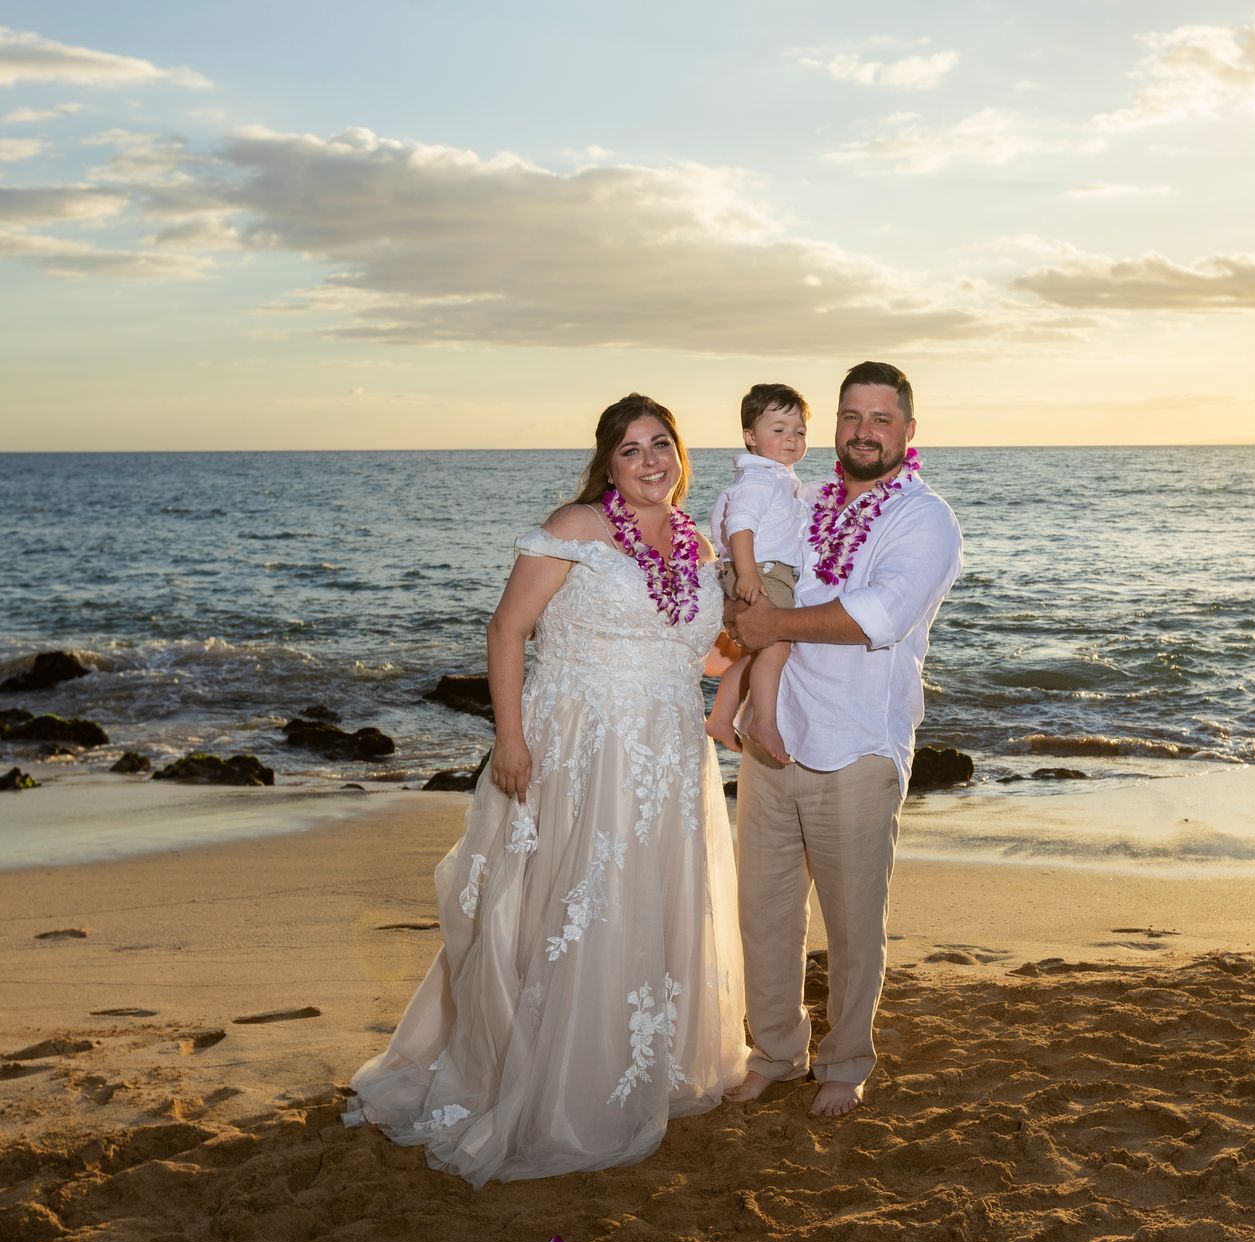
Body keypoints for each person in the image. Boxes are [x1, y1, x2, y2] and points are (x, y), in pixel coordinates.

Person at [343, 394, 748, 1186]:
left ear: (680, 452)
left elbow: (689, 649)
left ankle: (639, 1066)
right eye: (629, 450)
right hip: (581, 749)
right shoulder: (573, 528)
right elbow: (508, 630)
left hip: (666, 755)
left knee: (652, 900)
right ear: (607, 463)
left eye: (660, 444)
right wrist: (512, 737)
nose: (648, 461)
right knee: (569, 902)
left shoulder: (698, 544)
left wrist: (765, 658)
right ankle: (553, 1084)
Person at [724, 361, 963, 1118]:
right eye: (851, 417)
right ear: (835, 426)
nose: (864, 431)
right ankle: (773, 1051)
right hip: (775, 739)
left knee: (854, 923)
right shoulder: (808, 500)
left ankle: (847, 1061)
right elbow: (753, 559)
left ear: (908, 432)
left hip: (858, 746)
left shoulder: (923, 519)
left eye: (881, 419)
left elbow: (880, 613)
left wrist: (772, 624)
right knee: (763, 913)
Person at [705, 383, 810, 763]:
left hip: (760, 568)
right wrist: (748, 574)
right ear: (751, 436)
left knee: (753, 653)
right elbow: (741, 525)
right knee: (778, 642)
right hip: (762, 570)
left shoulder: (776, 477)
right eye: (778, 430)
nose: (791, 439)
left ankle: (719, 718)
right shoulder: (761, 478)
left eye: (799, 431)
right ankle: (763, 721)